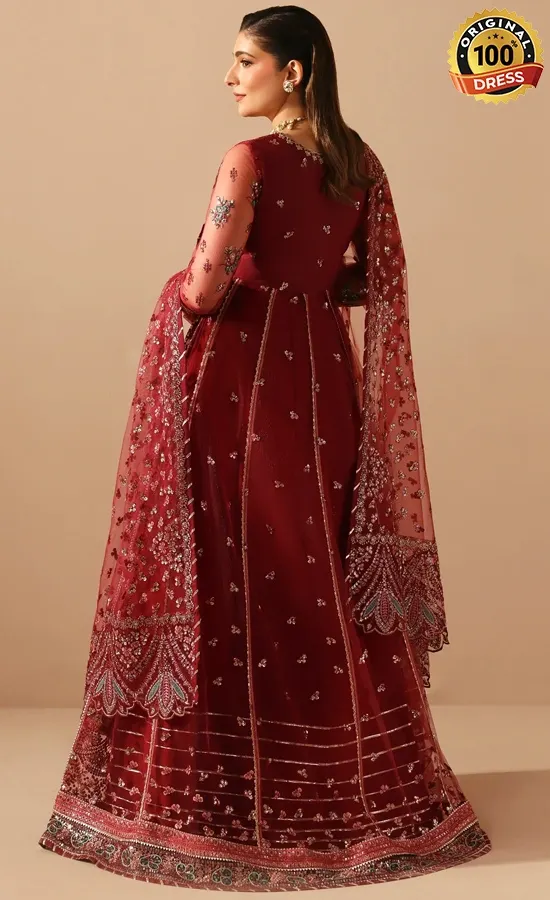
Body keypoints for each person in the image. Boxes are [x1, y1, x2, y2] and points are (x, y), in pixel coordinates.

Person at [38, 5, 491, 891]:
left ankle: (213, 796)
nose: (230, 76)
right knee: (316, 556)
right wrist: (306, 283)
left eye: (245, 60)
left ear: (296, 71)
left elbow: (205, 287)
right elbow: (373, 277)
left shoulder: (247, 159)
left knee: (224, 559)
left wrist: (186, 288)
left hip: (240, 377)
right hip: (323, 383)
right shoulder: (361, 164)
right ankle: (343, 781)